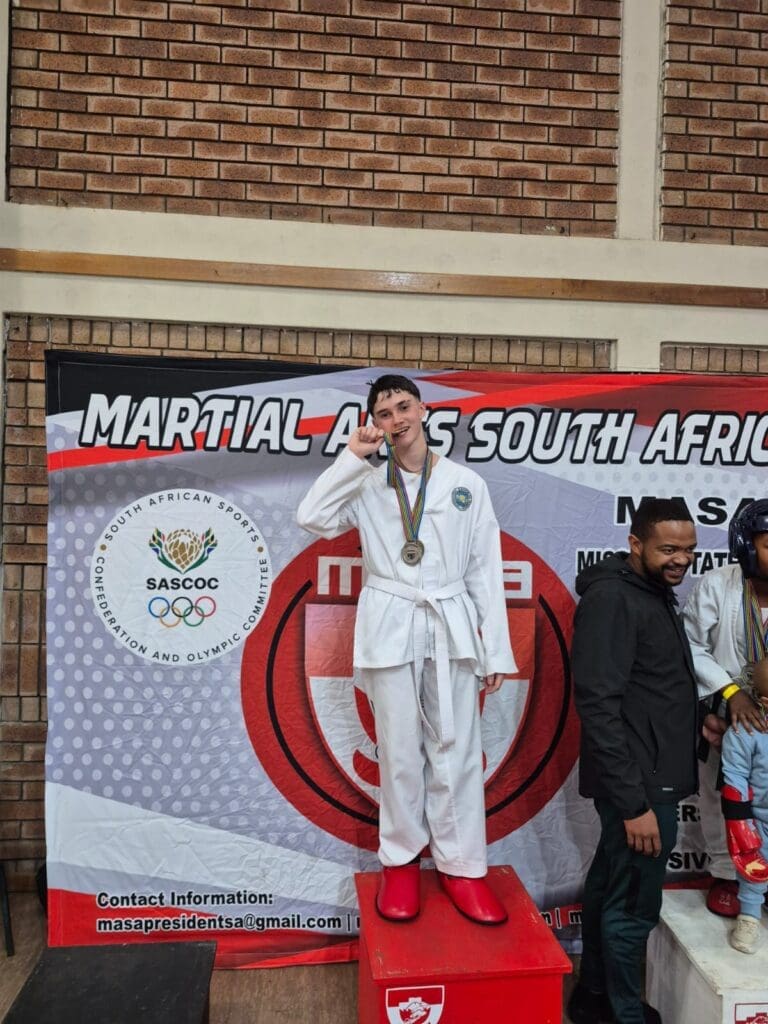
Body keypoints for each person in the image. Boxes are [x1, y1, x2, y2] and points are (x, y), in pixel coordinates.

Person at [296, 375, 516, 925]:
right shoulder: (368, 482)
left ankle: (463, 867)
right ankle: (399, 864)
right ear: (375, 423)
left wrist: (495, 651)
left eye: (403, 406)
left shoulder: (465, 484)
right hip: (391, 622)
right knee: (397, 751)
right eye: (384, 413)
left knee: (456, 748)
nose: (397, 419)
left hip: (450, 623)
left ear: (423, 410)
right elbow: (311, 517)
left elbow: (485, 569)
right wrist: (353, 456)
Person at [568, 498, 699, 1024]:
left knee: (609, 887)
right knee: (633, 907)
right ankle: (624, 1015)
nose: (681, 560)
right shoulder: (613, 600)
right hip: (640, 787)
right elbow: (597, 704)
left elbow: (654, 684)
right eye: (668, 549)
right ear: (636, 544)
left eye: (689, 549)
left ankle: (593, 997)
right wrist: (633, 804)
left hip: (646, 776)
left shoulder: (650, 591)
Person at [682, 500, 768, 919]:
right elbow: (691, 646)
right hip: (723, 710)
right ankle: (725, 874)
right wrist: (731, 693)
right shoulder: (718, 585)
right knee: (720, 792)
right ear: (746, 546)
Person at [720, 656, 768, 953]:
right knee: (754, 866)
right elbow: (735, 777)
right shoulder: (745, 733)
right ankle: (749, 916)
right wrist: (739, 821)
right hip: (760, 819)